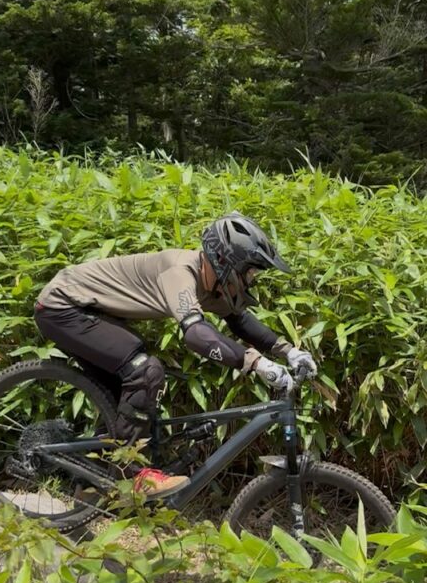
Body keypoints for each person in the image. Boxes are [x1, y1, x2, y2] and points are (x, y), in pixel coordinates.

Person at [34, 211, 317, 498]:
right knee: (145, 372)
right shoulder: (180, 273)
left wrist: (289, 352)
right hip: (64, 307)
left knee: (123, 396)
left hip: (90, 311)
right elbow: (196, 334)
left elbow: (240, 320)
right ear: (226, 263)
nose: (251, 280)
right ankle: (133, 475)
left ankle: (93, 484)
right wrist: (255, 362)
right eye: (250, 273)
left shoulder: (210, 282)